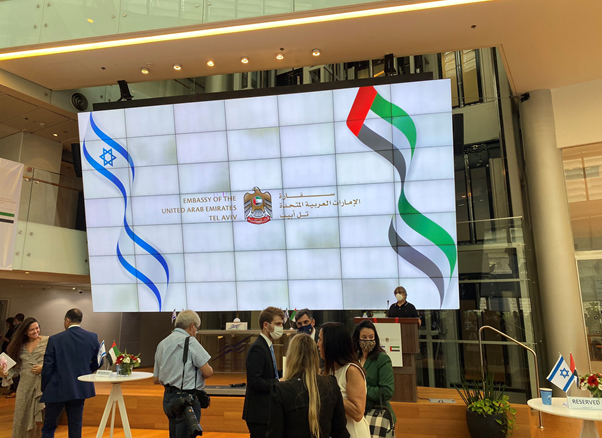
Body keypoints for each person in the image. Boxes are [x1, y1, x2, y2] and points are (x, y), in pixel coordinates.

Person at [266, 334, 349, 438]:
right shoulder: (330, 384)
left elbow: (274, 433)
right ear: (315, 356)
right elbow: (340, 431)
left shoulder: (281, 390)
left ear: (291, 357)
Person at [40, 308, 102, 438]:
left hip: (57, 387)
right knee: (75, 424)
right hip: (79, 387)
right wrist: (86, 372)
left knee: (49, 425)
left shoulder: (55, 339)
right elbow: (99, 360)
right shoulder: (92, 337)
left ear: (67, 320)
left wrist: (45, 387)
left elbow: (48, 366)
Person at [153, 310, 213, 438]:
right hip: (186, 400)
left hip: (168, 399)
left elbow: (156, 379)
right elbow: (208, 372)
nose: (196, 332)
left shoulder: (162, 343)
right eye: (197, 328)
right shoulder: (190, 342)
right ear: (192, 326)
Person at [318, 322, 370, 438]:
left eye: (320, 339)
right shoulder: (327, 371)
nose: (318, 344)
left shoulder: (352, 370)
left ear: (331, 343)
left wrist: (331, 394)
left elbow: (358, 412)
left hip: (352, 431)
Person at [1, 317, 48, 438]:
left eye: (37, 328)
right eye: (32, 329)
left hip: (41, 385)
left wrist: (44, 367)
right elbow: (17, 369)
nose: (36, 331)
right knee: (21, 416)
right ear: (25, 332)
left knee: (40, 418)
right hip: (25, 386)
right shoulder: (20, 346)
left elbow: (56, 361)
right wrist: (5, 373)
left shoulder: (47, 341)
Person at [242, 306, 285, 438]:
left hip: (266, 412)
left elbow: (269, 373)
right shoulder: (258, 348)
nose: (281, 328)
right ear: (266, 325)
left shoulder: (267, 345)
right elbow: (255, 381)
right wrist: (278, 382)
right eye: (278, 324)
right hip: (258, 414)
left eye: (282, 324)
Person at [351, 320, 396, 435]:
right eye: (364, 337)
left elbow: (387, 391)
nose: (368, 340)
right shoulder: (354, 358)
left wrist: (361, 390)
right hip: (357, 415)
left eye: (371, 337)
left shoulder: (382, 359)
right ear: (357, 339)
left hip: (377, 416)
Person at [6, 313, 25, 398]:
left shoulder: (20, 329)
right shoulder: (18, 328)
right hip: (14, 351)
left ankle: (15, 390)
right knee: (12, 371)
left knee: (15, 372)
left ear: (16, 319)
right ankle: (13, 388)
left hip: (16, 352)